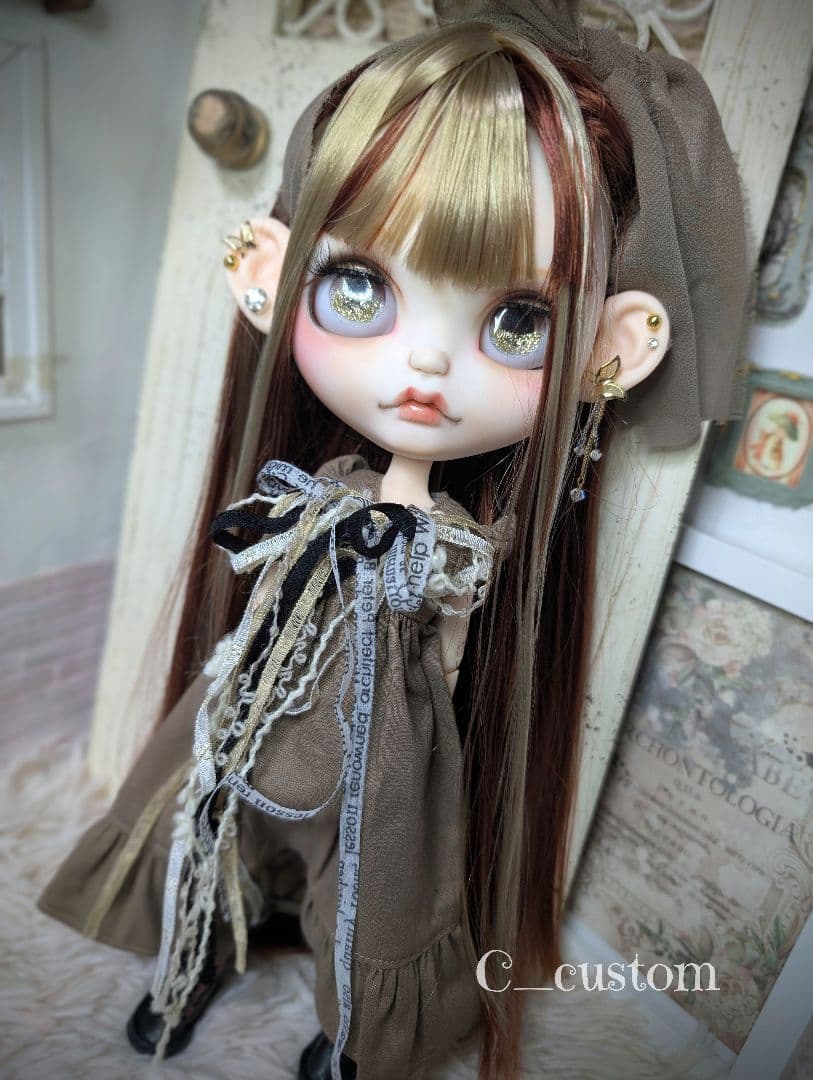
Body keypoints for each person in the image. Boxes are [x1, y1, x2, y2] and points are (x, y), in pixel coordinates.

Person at [38, 3, 751, 1079]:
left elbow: (453, 647)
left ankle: (353, 1033)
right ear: (270, 278)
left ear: (608, 350)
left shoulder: (458, 543)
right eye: (360, 288)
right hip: (255, 710)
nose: (423, 366)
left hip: (384, 759)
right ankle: (189, 964)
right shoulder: (315, 487)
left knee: (371, 900)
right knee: (204, 833)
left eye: (517, 322)